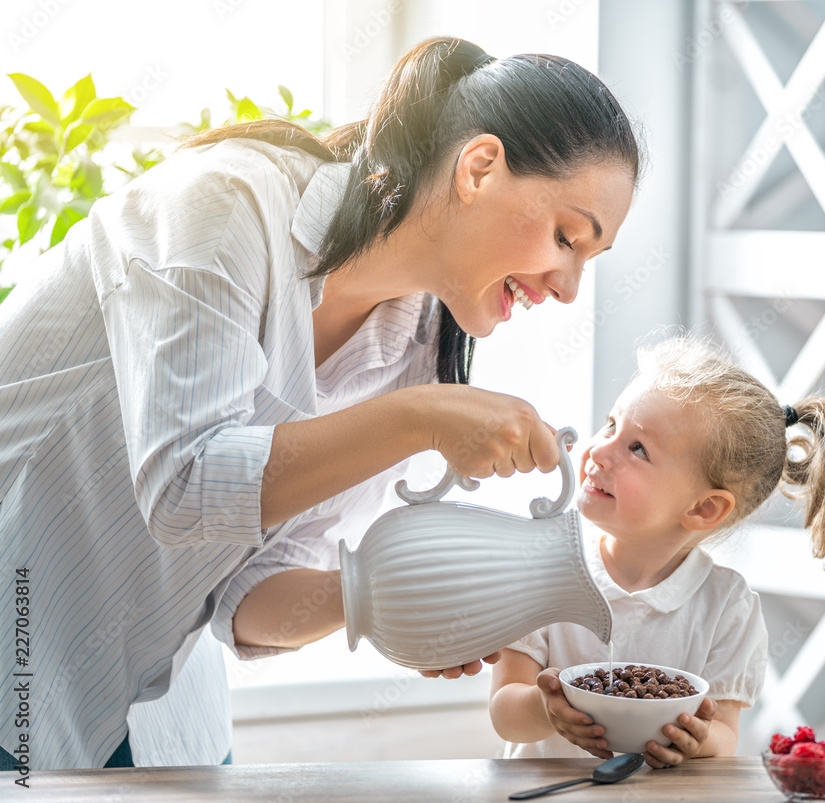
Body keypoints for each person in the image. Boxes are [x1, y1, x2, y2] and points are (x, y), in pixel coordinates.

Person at [0, 36, 640, 770]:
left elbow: (244, 599)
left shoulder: (415, 347)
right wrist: (421, 419)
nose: (567, 288)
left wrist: (382, 597)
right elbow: (182, 487)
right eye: (567, 237)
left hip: (153, 718)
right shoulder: (224, 207)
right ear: (480, 166)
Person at [489, 333, 825, 766]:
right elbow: (505, 712)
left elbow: (724, 735)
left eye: (638, 449)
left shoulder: (728, 608)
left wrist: (698, 740)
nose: (599, 450)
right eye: (611, 424)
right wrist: (546, 709)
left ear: (705, 508)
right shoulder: (546, 571)